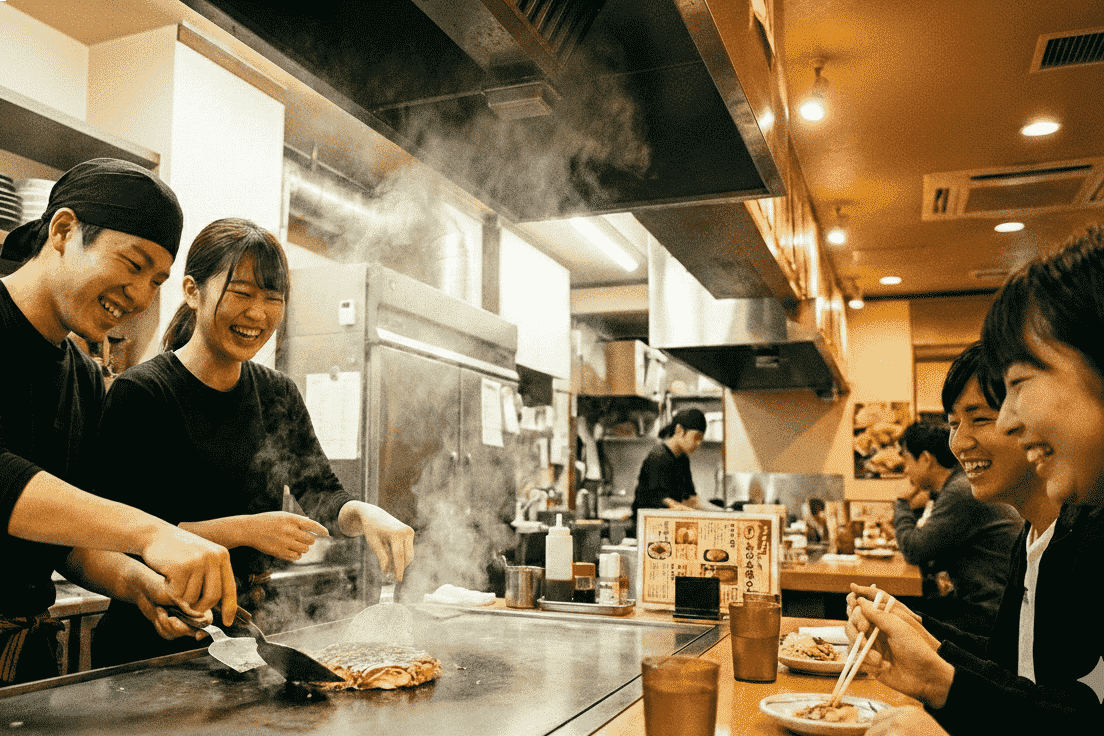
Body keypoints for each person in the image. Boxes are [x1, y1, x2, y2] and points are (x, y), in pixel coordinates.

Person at [89, 218, 415, 666]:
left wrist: (363, 513)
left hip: (246, 639)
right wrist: (248, 529)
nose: (258, 314)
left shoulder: (277, 393)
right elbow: (117, 535)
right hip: (148, 642)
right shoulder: (143, 393)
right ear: (192, 291)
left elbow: (320, 492)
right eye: (241, 294)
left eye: (272, 299)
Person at [0, 158, 237, 685]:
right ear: (63, 231)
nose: (142, 297)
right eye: (133, 265)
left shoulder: (84, 378)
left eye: (156, 281)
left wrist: (139, 585)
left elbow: (66, 541)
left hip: (23, 661)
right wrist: (150, 533)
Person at [849, 342, 1104, 733]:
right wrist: (920, 632)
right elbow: (1012, 671)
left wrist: (939, 683)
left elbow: (1081, 715)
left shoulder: (1088, 541)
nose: (959, 442)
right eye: (953, 424)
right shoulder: (1032, 535)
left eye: (980, 418)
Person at [890, 421, 1022, 634]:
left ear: (925, 459)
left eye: (906, 459)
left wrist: (902, 502)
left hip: (988, 614)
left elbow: (914, 549)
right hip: (989, 605)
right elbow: (931, 552)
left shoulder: (960, 491)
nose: (906, 470)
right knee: (900, 613)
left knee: (897, 619)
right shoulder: (959, 484)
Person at [630, 408, 715, 531]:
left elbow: (691, 499)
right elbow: (666, 502)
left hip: (666, 525)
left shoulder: (682, 458)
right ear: (679, 430)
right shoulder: (658, 456)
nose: (698, 443)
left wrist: (724, 513)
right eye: (696, 437)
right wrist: (700, 516)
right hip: (647, 527)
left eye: (701, 439)